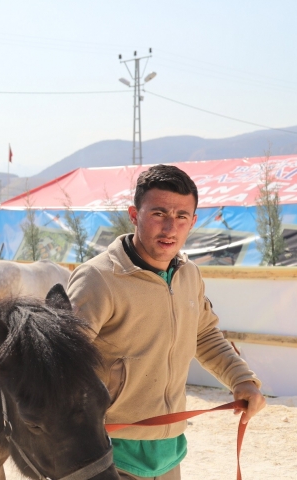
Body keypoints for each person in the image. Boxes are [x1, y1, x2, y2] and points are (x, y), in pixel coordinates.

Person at [67, 165, 265, 480]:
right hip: (107, 451)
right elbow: (60, 361)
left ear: (194, 221)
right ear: (134, 214)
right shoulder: (97, 278)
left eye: (182, 217)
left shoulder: (189, 275)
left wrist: (242, 380)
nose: (170, 228)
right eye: (159, 214)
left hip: (169, 448)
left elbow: (204, 335)